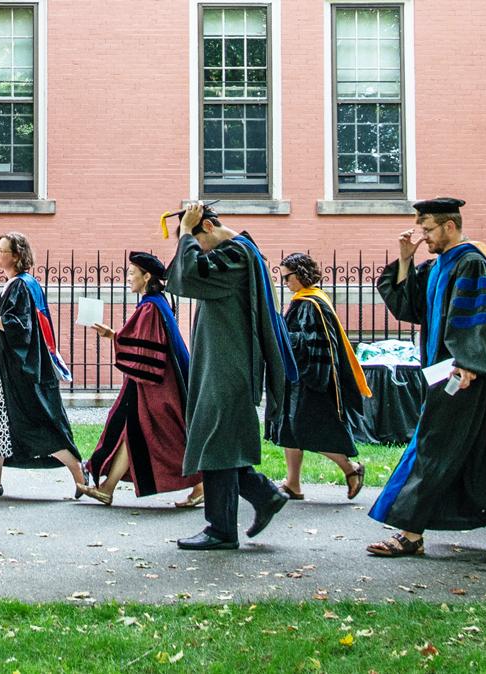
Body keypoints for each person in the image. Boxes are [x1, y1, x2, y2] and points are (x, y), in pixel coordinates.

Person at [365, 197, 486, 557]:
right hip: (445, 371)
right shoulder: (440, 265)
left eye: (428, 229)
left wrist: (469, 362)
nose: (424, 237)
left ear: (450, 226)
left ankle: (410, 533)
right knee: (485, 451)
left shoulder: (472, 263)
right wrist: (405, 259)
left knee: (433, 445)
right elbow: (409, 308)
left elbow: (482, 318)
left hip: (464, 374)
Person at [165, 201, 292, 551]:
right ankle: (264, 495)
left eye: (196, 238)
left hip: (227, 365)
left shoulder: (236, 255)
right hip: (221, 363)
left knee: (216, 442)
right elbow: (183, 273)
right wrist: (189, 235)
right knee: (219, 442)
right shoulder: (239, 253)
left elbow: (187, 276)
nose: (196, 249)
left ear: (206, 228)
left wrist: (186, 231)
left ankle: (221, 529)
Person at [0, 231, 85, 497]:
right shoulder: (22, 283)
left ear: (17, 255)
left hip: (19, 372)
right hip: (6, 368)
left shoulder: (21, 286)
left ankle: (79, 471)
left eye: (1, 249)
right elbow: (27, 328)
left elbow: (17, 327)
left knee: (34, 424)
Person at [82, 252, 200, 506]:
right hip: (159, 380)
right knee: (134, 431)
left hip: (155, 385)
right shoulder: (157, 303)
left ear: (147, 276)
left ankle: (202, 484)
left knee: (167, 436)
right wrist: (114, 335)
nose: (128, 278)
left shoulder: (149, 307)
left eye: (132, 273)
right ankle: (107, 488)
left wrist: (116, 337)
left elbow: (146, 348)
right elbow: (145, 342)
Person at [267, 253, 370, 502]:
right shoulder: (307, 300)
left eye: (287, 277)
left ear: (300, 274)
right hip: (297, 379)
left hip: (310, 380)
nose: (285, 282)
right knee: (289, 429)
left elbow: (311, 344)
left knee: (308, 429)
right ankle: (292, 484)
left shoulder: (311, 304)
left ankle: (351, 469)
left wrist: (281, 335)